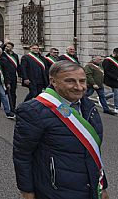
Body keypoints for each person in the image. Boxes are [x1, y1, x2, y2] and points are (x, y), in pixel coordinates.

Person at [13, 61, 110, 199]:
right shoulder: (33, 110)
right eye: (70, 81)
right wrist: (27, 191)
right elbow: (22, 155)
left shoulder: (89, 107)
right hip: (55, 190)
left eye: (82, 81)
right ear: (53, 81)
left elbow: (93, 151)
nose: (79, 87)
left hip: (90, 187)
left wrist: (102, 186)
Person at [0, 42, 21, 111]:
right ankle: (9, 107)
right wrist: (4, 44)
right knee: (7, 91)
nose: (6, 48)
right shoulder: (3, 55)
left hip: (13, 76)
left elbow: (18, 66)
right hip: (6, 76)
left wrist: (20, 75)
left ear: (12, 48)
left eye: (8, 47)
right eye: (6, 46)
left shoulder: (15, 56)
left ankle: (13, 107)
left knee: (13, 92)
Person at [103, 47, 118, 113]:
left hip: (116, 79)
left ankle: (104, 97)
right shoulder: (107, 60)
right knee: (116, 93)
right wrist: (116, 77)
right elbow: (107, 71)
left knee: (115, 93)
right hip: (111, 79)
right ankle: (116, 107)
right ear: (115, 53)